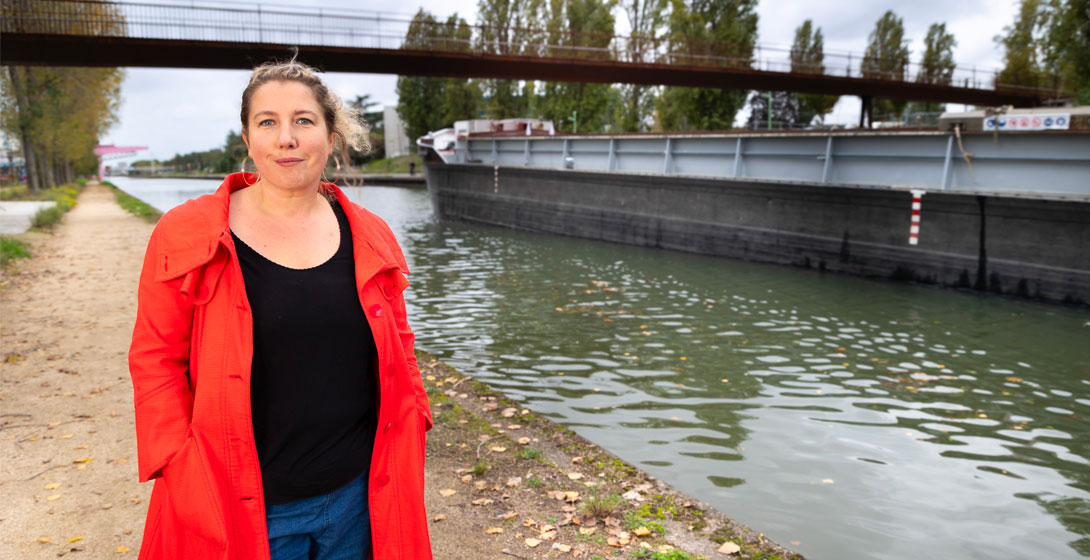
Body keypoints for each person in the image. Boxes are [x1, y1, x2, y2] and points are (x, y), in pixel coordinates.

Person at [128, 59, 433, 560]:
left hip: (361, 497)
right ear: (248, 140)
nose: (286, 138)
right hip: (241, 505)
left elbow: (400, 343)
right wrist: (179, 464)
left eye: (304, 120)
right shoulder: (188, 234)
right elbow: (155, 361)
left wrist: (415, 414)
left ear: (330, 138)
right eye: (267, 122)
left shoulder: (371, 234)